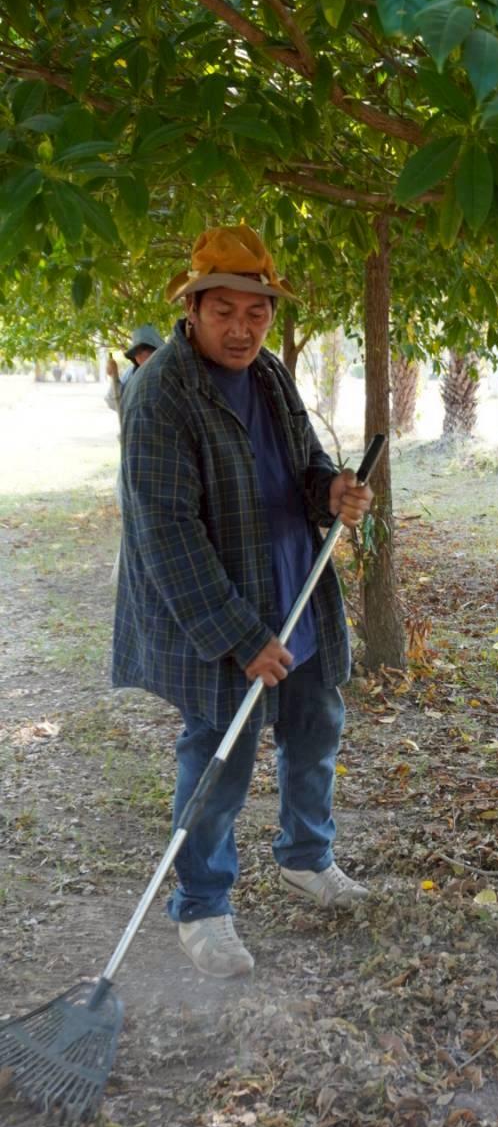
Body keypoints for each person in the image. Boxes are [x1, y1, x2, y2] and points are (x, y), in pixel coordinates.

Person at [112, 225, 373, 979]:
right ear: (192, 309)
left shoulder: (270, 375)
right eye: (223, 310)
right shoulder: (160, 393)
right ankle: (202, 907)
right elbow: (165, 534)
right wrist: (239, 635)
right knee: (218, 757)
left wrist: (331, 491)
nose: (241, 328)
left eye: (256, 312)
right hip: (221, 613)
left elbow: (303, 464)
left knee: (315, 728)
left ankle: (306, 858)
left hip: (295, 592)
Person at [105, 324, 165, 421]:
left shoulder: (170, 371)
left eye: (145, 349)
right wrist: (114, 377)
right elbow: (114, 403)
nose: (141, 356)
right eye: (136, 352)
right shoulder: (131, 373)